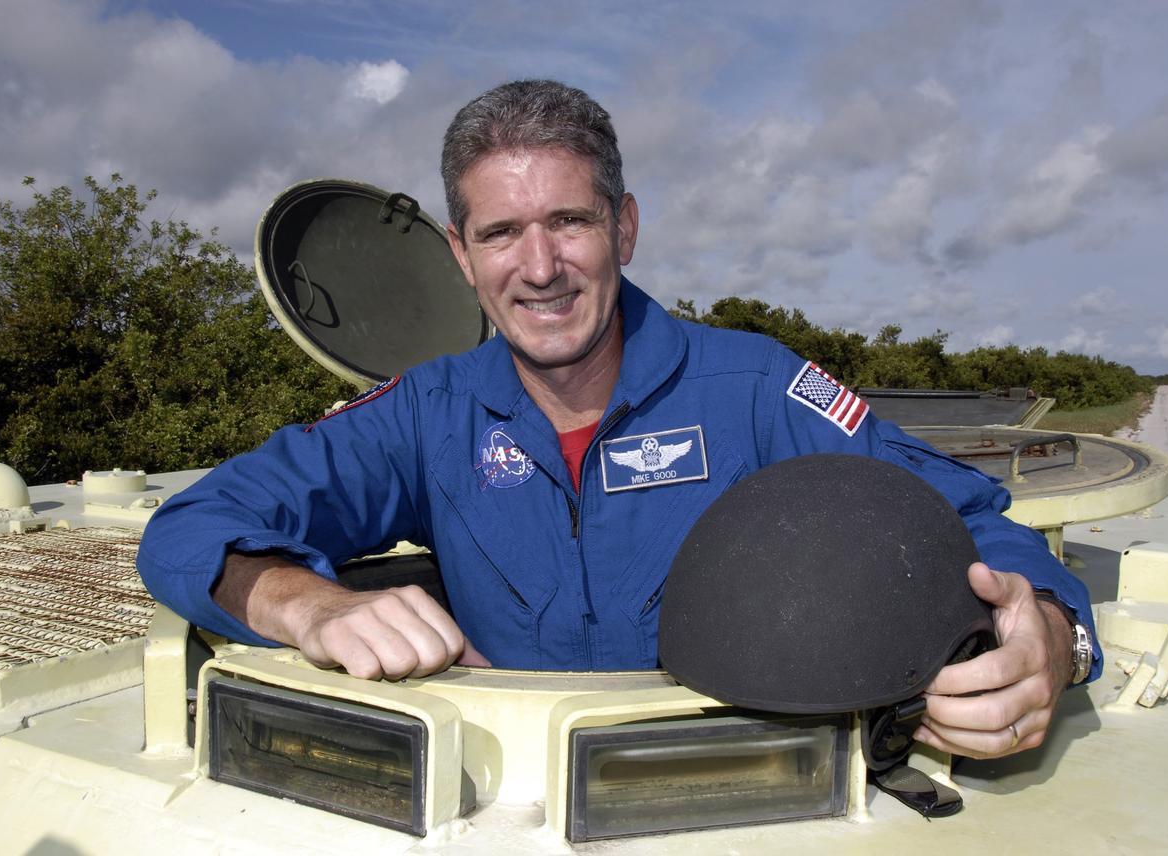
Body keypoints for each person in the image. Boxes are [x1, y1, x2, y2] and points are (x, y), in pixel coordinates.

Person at [137, 79, 1098, 760]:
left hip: (740, 792)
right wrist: (311, 605)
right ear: (460, 257)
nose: (540, 265)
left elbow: (962, 515)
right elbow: (194, 527)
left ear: (625, 227)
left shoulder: (755, 388)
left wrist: (1050, 633)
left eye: (571, 221)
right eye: (501, 233)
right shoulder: (427, 414)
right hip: (500, 802)